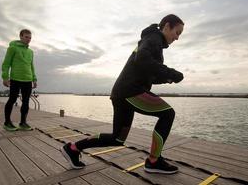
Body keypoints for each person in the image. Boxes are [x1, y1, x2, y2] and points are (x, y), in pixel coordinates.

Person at [61, 14, 184, 174]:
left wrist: (168, 77)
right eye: (177, 32)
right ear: (167, 26)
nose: (177, 38)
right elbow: (142, 60)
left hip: (122, 92)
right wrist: (171, 72)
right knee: (168, 114)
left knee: (117, 138)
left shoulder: (152, 41)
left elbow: (148, 72)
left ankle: (73, 148)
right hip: (131, 91)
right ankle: (153, 161)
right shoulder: (154, 38)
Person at [1, 29, 37, 131]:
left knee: (26, 102)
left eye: (30, 38)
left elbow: (31, 66)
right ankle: (7, 122)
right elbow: (6, 64)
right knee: (12, 100)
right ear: (20, 37)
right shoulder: (12, 48)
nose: (28, 39)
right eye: (26, 37)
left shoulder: (30, 52)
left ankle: (23, 123)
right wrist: (5, 77)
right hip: (15, 78)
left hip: (27, 80)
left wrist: (34, 79)